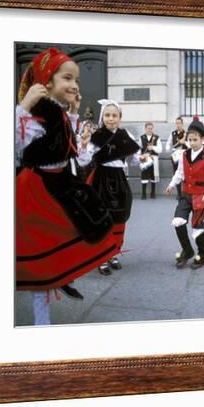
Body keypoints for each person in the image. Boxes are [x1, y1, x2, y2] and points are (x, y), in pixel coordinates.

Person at [15, 48, 118, 324]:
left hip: (61, 182)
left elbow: (65, 142)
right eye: (67, 78)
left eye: (77, 81)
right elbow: (13, 145)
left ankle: (62, 272)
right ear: (47, 82)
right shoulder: (35, 112)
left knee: (85, 224)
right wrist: (22, 107)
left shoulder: (56, 111)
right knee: (42, 254)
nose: (74, 85)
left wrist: (72, 112)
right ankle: (41, 319)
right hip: (37, 188)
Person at [78, 99, 141, 276]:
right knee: (103, 218)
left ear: (120, 117)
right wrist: (83, 146)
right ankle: (101, 257)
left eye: (114, 115)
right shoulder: (96, 136)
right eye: (107, 115)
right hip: (101, 179)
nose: (110, 119)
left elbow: (132, 161)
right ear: (102, 117)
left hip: (119, 179)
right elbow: (83, 160)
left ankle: (113, 252)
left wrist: (139, 157)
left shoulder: (124, 135)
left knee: (119, 217)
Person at [166, 119, 204, 269]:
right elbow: (179, 173)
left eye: (195, 139)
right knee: (178, 221)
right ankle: (188, 250)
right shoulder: (184, 154)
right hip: (186, 195)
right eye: (190, 139)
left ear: (202, 139)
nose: (192, 142)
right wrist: (172, 184)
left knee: (198, 228)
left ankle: (203, 255)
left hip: (200, 197)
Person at [166, 117, 188, 199]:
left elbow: (190, 145)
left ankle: (185, 192)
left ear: (182, 124)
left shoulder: (186, 133)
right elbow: (168, 143)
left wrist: (184, 142)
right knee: (176, 173)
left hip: (184, 155)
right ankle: (179, 193)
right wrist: (168, 149)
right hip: (175, 155)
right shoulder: (173, 133)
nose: (178, 125)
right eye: (177, 123)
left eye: (179, 123)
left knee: (185, 173)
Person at [139, 122, 163, 199]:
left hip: (154, 159)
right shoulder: (141, 138)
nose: (150, 130)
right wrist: (140, 157)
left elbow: (160, 150)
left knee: (153, 176)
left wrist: (153, 147)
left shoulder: (156, 137)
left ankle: (153, 193)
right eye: (148, 128)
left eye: (151, 128)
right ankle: (143, 194)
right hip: (145, 159)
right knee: (144, 175)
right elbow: (139, 149)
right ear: (145, 129)